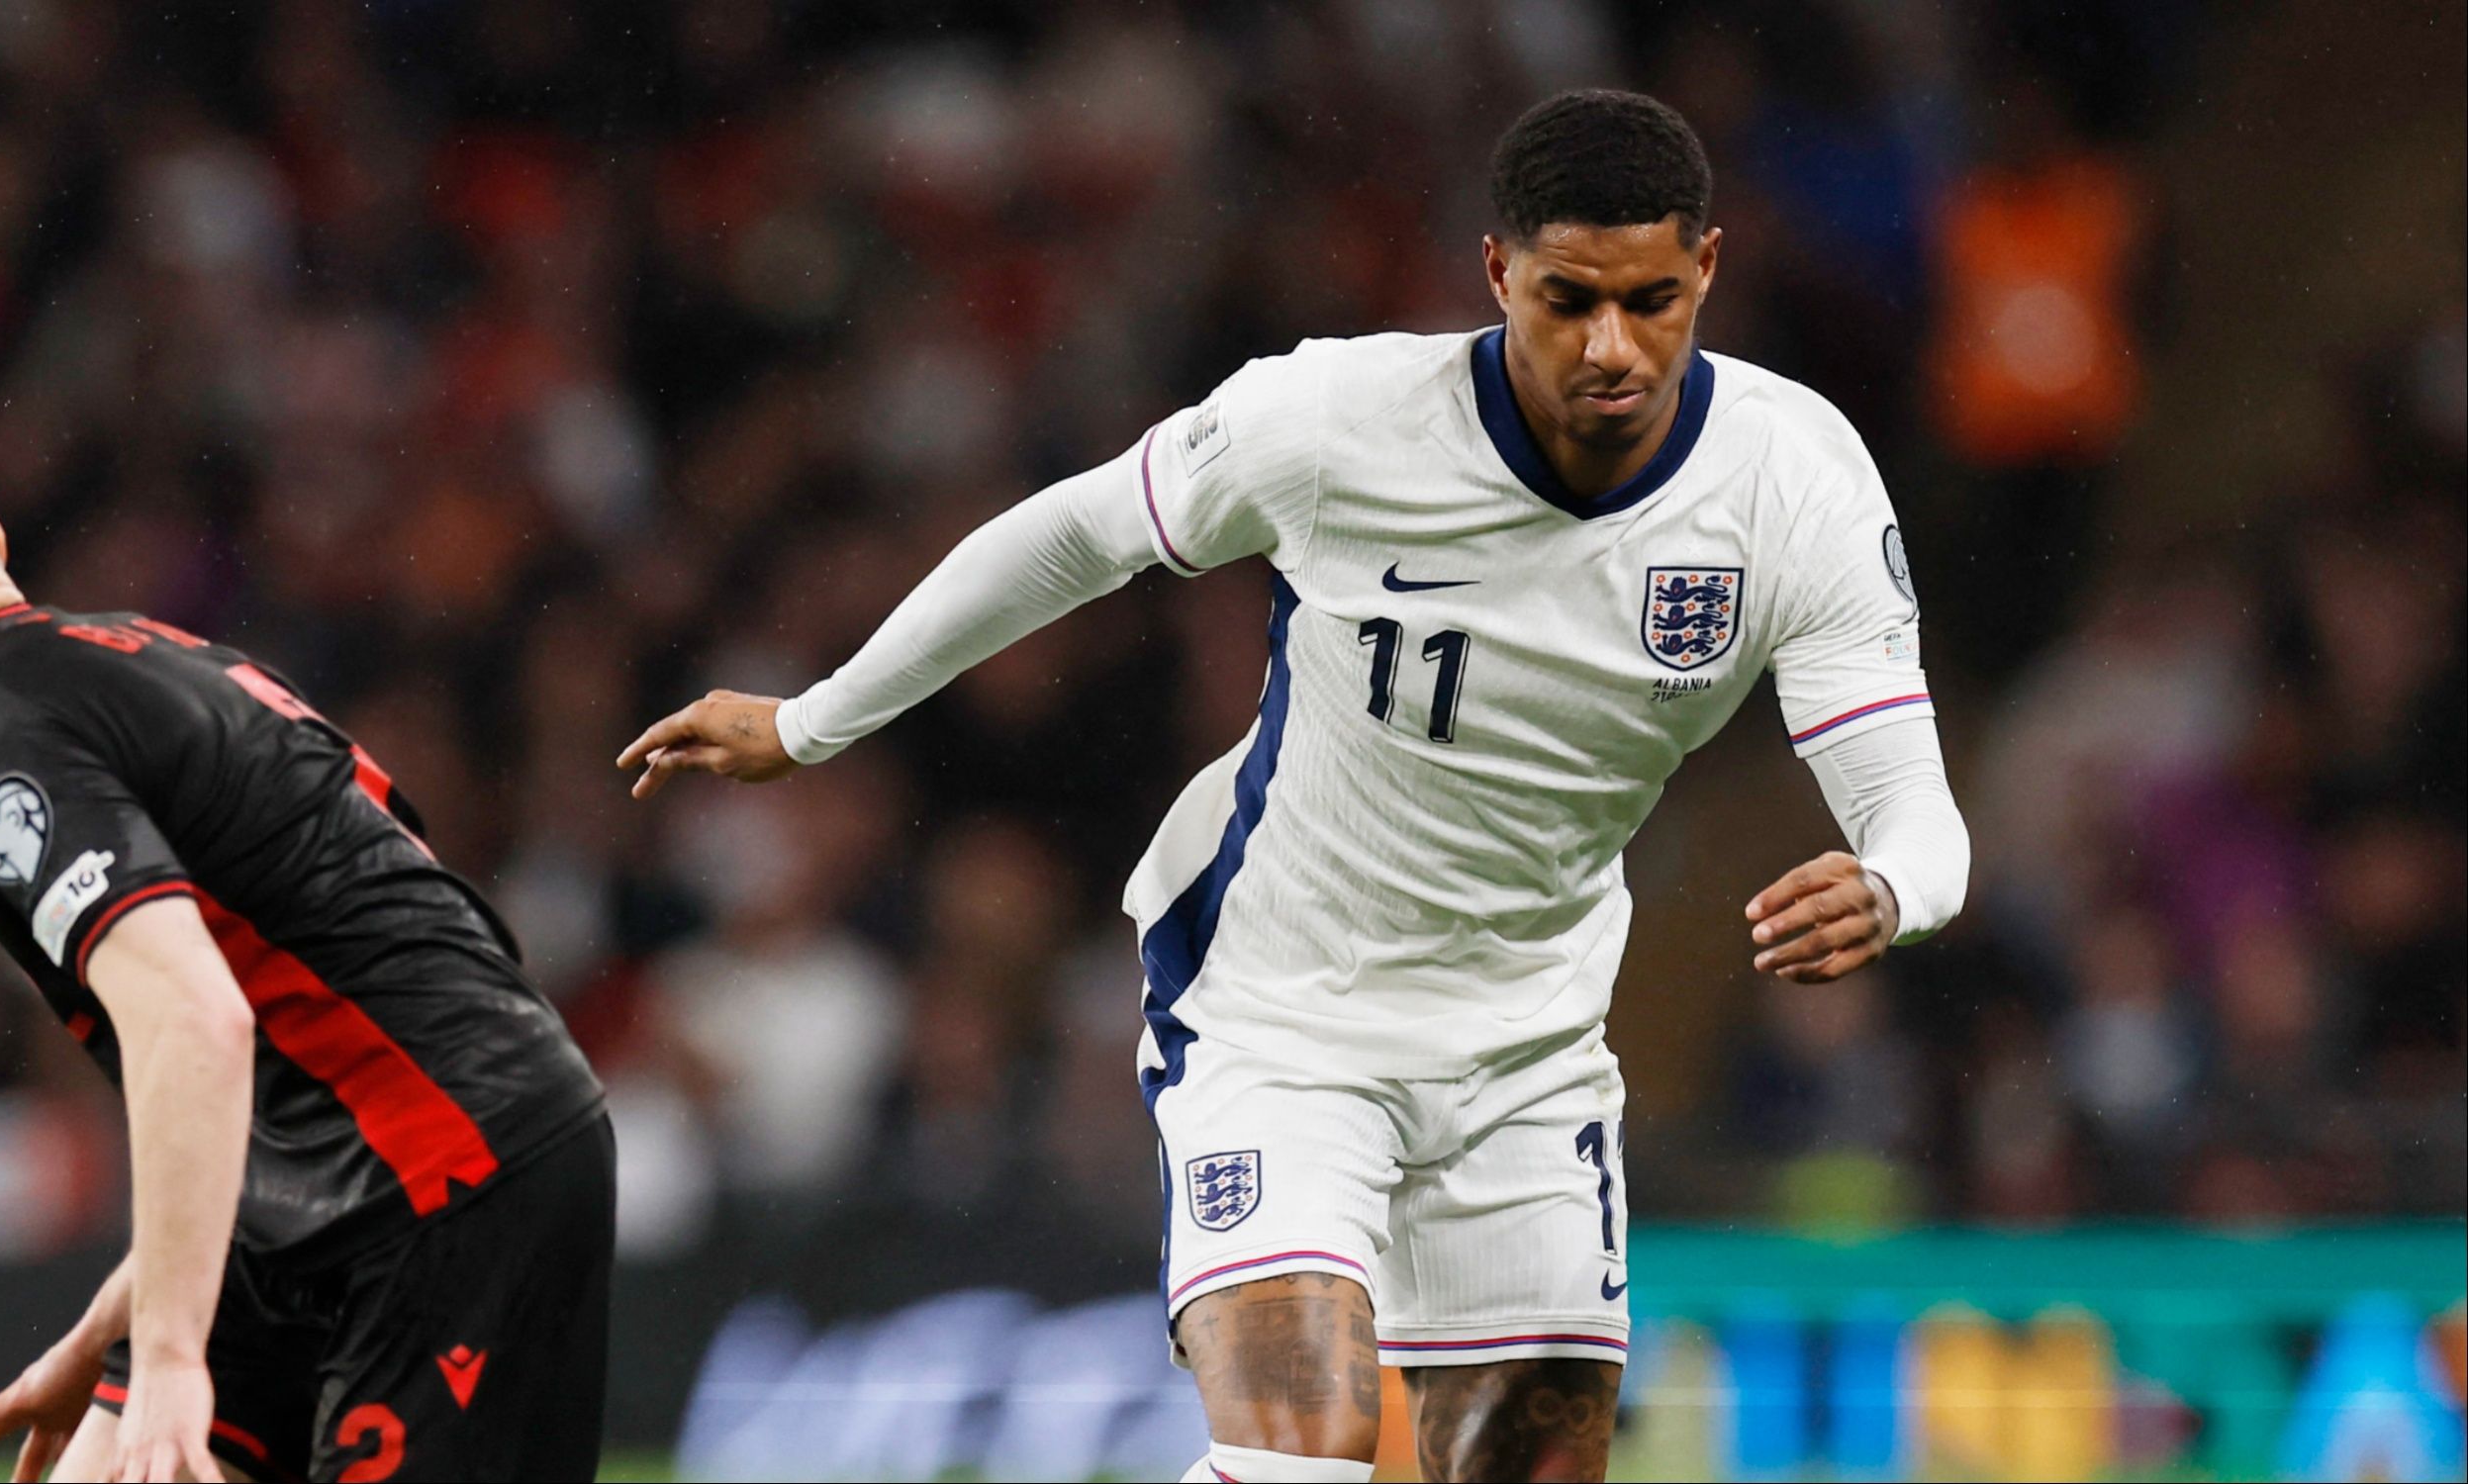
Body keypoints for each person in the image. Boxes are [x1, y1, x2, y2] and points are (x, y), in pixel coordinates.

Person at [620, 90, 1971, 1483]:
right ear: (1498, 272)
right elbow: (1080, 534)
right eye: (1570, 299)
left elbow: (1914, 808)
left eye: (1652, 299)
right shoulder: (1341, 418)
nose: (1612, 347)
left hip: (1528, 1042)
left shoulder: (1793, 482)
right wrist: (819, 719)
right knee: (1305, 1452)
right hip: (1281, 1011)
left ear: (1709, 269)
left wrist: (1889, 888)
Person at [0, 370, 610, 1483]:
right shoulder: (155, 662)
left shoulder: (0, 753)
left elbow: (198, 1019)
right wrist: (138, 1304)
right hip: (323, 1174)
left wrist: (168, 1361)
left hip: (447, 1182)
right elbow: (358, 962)